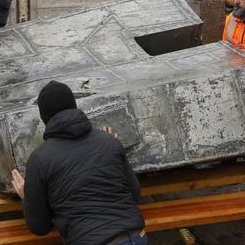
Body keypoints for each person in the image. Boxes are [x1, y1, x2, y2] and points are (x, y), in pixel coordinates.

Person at [11, 81, 146, 245]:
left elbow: (40, 227)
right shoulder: (109, 142)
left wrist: (28, 198)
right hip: (134, 239)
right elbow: (135, 195)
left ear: (43, 118)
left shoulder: (39, 159)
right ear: (74, 106)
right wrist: (110, 149)